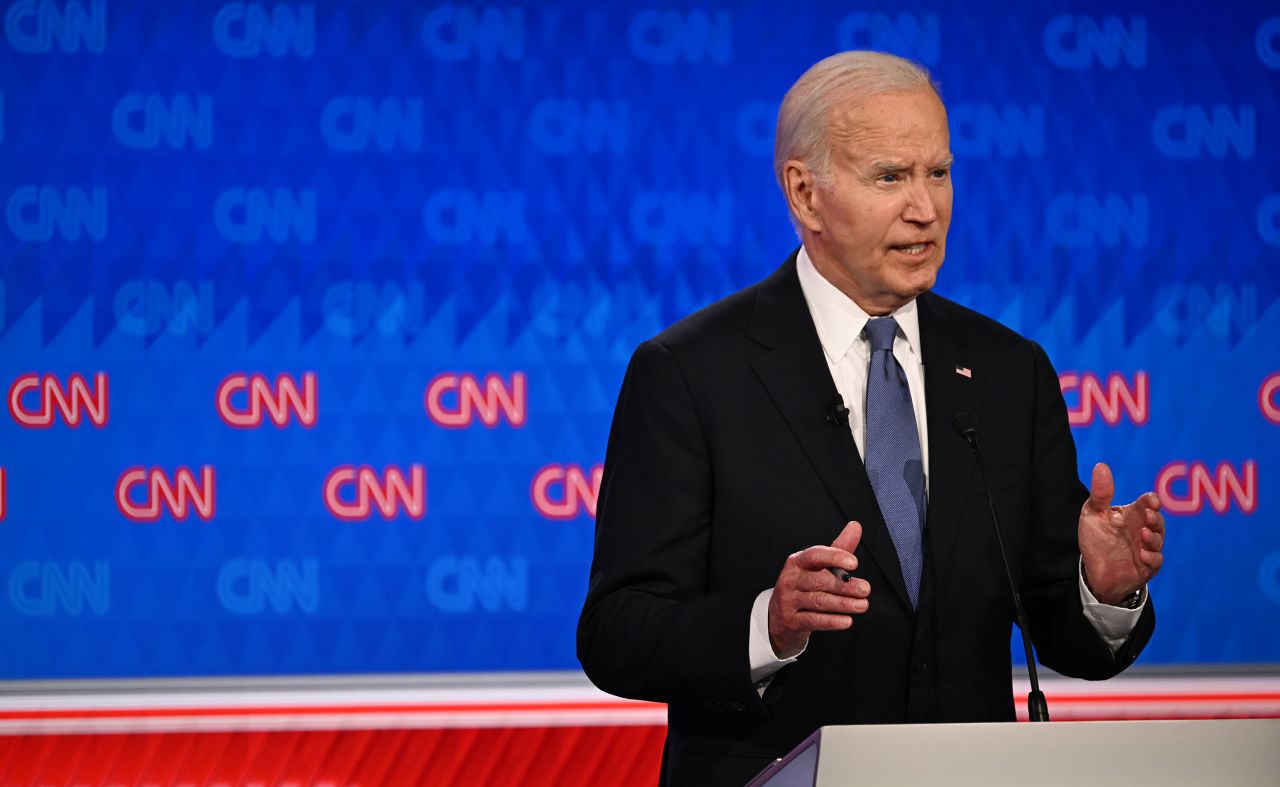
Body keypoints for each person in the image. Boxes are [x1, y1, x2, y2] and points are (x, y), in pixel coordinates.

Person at [577, 51, 1163, 787]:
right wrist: (769, 623)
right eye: (890, 177)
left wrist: (1101, 590)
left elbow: (1063, 630)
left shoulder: (1010, 371)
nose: (926, 208)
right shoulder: (691, 373)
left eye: (939, 173)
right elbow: (617, 631)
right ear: (805, 194)